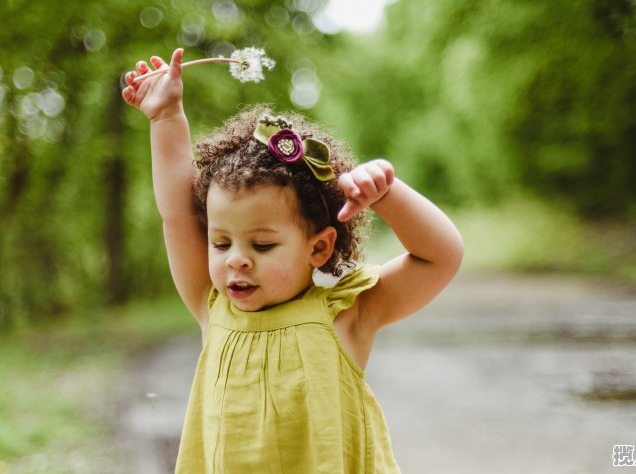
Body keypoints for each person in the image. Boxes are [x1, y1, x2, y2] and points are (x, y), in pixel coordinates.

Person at [122, 48, 464, 473]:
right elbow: (177, 214)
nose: (237, 260)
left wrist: (386, 195)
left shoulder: (346, 315)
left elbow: (441, 256)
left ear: (318, 249)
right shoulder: (212, 307)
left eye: (262, 246)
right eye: (221, 243)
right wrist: (166, 117)